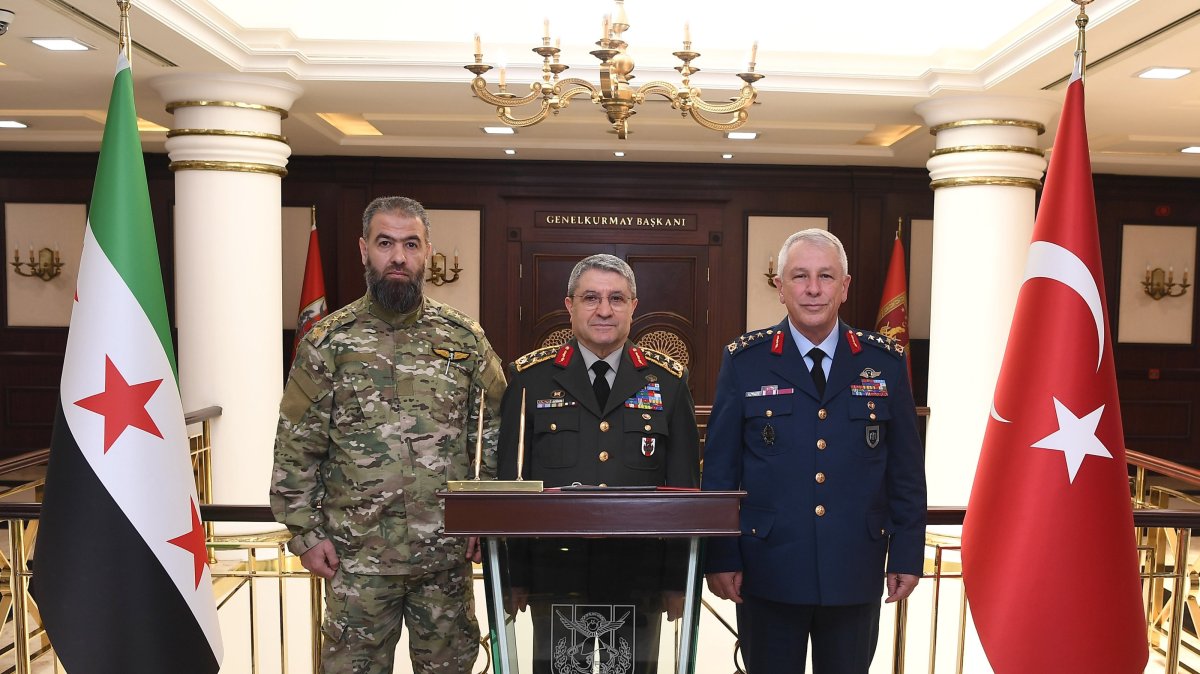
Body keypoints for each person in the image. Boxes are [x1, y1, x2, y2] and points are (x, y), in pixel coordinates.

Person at [271, 196, 506, 674]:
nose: (398, 256)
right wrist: (306, 533)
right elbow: (297, 445)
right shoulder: (329, 342)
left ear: (427, 252)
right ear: (364, 250)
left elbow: (497, 428)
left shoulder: (463, 339)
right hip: (357, 562)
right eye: (385, 243)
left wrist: (488, 511)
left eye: (410, 244)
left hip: (444, 560)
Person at [702, 229, 926, 674]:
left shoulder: (884, 361)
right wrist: (721, 555)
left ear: (844, 287)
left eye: (826, 276)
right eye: (799, 276)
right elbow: (721, 471)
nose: (812, 288)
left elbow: (904, 472)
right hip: (768, 569)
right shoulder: (745, 361)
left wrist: (905, 554)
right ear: (780, 286)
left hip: (854, 568)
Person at [497, 253, 700, 674]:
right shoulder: (529, 381)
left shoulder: (667, 383)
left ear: (633, 307)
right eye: (591, 297)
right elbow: (510, 486)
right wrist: (514, 576)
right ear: (569, 306)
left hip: (640, 571)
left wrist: (677, 580)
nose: (604, 310)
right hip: (553, 571)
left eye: (616, 299)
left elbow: (685, 489)